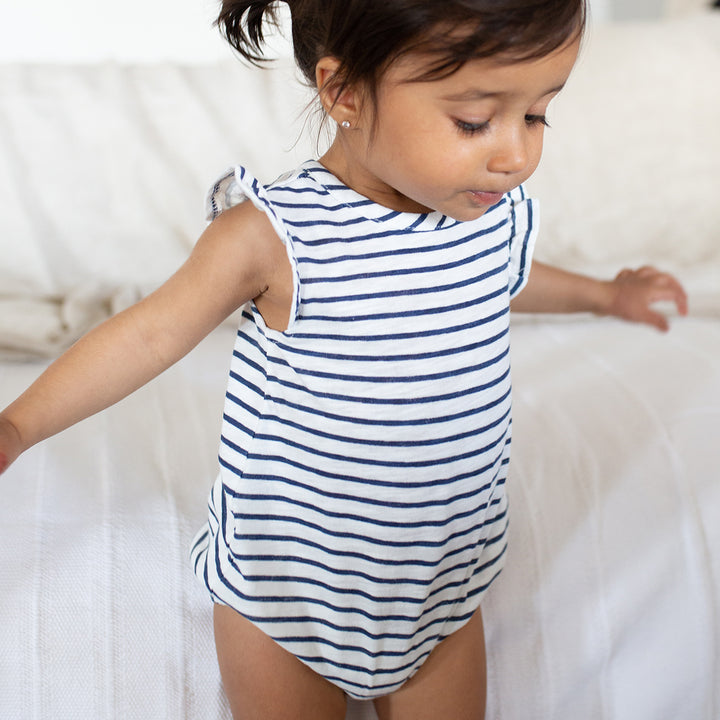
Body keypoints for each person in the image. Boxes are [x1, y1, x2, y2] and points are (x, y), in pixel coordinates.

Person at [0, 1, 688, 718]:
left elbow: (509, 274)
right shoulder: (275, 237)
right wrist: (17, 427)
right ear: (345, 92)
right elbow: (148, 335)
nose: (516, 154)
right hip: (288, 595)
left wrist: (606, 295)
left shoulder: (484, 214)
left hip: (440, 589)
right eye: (475, 121)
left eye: (538, 115)